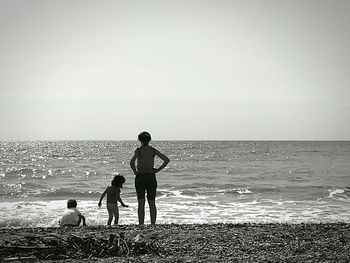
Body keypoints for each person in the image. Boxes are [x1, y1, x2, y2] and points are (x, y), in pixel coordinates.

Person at [130, 131, 170, 225]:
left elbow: (132, 162)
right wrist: (158, 170)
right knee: (152, 202)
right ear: (149, 140)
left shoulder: (138, 150)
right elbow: (166, 160)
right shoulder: (152, 150)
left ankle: (141, 224)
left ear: (140, 140)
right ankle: (153, 224)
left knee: (141, 202)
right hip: (151, 176)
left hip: (140, 177)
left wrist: (135, 171)